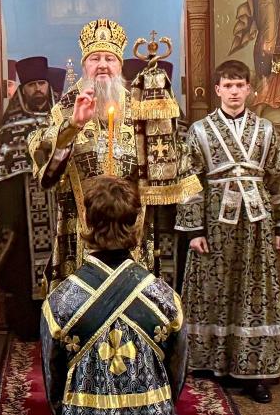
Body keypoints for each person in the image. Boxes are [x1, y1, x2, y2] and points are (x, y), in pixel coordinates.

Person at [29, 18, 198, 288]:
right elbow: (42, 162)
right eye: (95, 58)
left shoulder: (141, 107)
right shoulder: (64, 109)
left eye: (109, 58)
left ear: (120, 65)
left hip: (133, 232)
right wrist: (73, 126)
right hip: (81, 231)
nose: (103, 65)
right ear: (84, 65)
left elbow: (173, 160)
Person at [41, 176, 187, 415]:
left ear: (86, 222)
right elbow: (176, 377)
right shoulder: (165, 299)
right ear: (136, 224)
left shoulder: (59, 303)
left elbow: (53, 383)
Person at [178, 59, 280, 403]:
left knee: (253, 290)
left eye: (239, 85)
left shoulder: (266, 130)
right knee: (214, 286)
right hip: (215, 222)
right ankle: (211, 364)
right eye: (227, 85)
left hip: (257, 224)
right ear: (218, 90)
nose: (234, 92)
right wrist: (194, 230)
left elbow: (278, 176)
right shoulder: (199, 130)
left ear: (249, 89)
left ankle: (255, 369)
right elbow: (189, 181)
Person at [0, 56, 64, 339]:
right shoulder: (10, 129)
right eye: (32, 85)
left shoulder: (62, 124)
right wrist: (13, 212)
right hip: (23, 216)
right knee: (21, 266)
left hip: (59, 212)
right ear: (22, 90)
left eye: (42, 83)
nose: (38, 89)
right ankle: (27, 327)